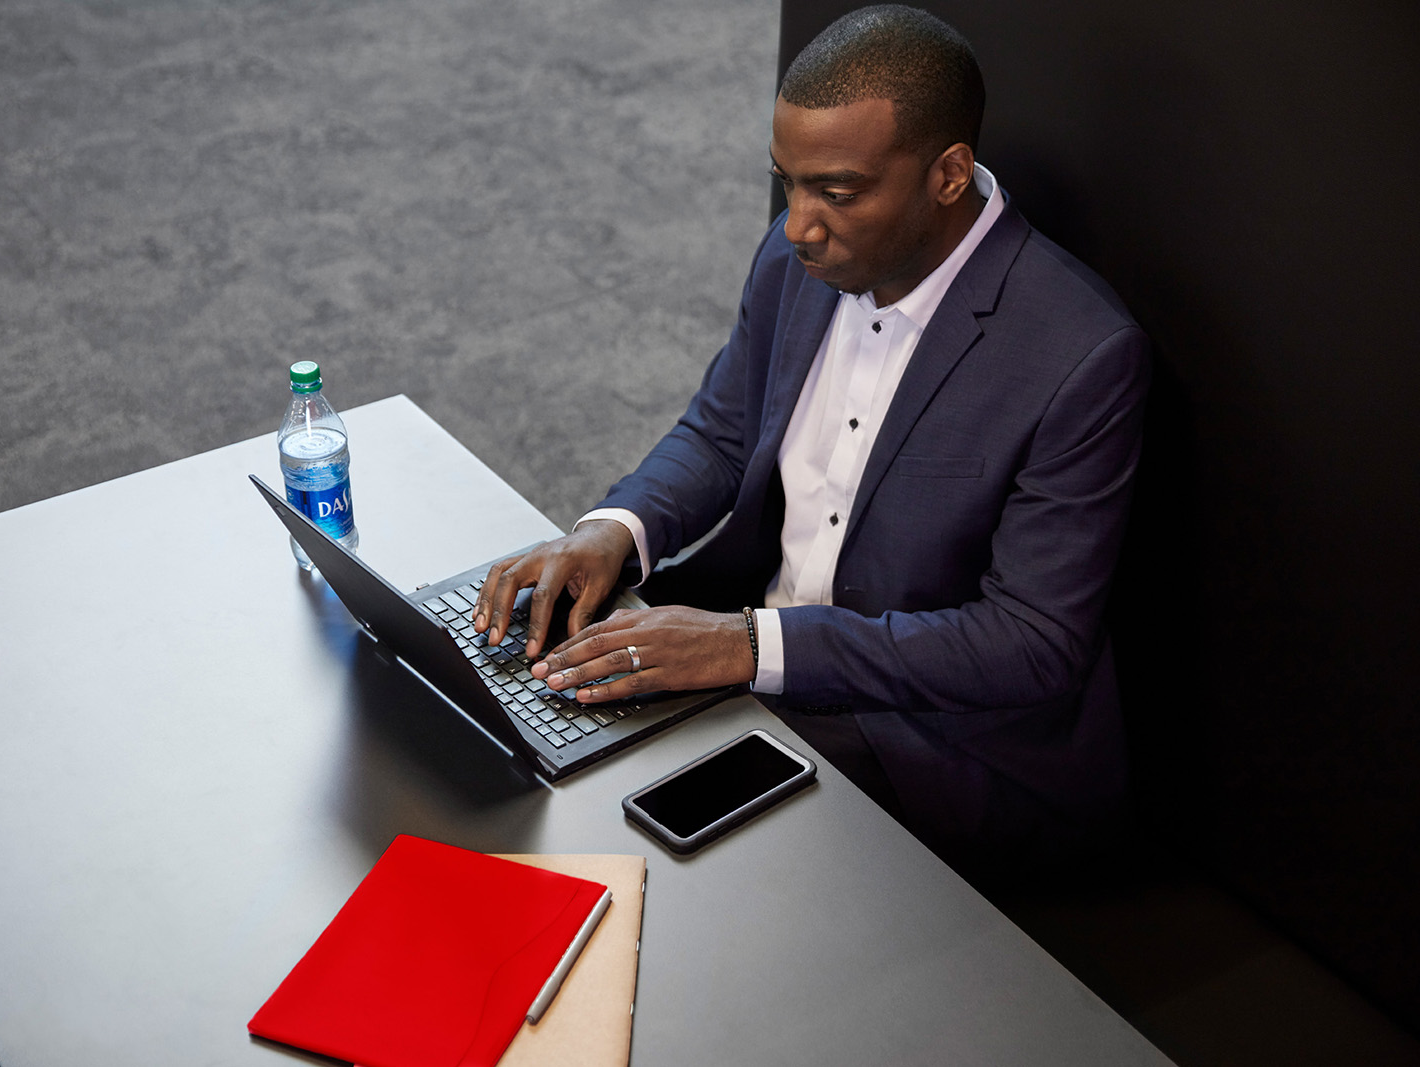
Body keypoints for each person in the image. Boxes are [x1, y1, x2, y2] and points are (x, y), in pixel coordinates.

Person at [474, 5, 1150, 882]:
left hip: (931, 740)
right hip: (749, 661)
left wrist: (751, 646)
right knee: (525, 740)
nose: (797, 224)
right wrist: (615, 529)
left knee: (632, 854)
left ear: (948, 175)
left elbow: (1029, 643)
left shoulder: (1081, 354)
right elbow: (722, 433)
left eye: (836, 192)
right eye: (785, 181)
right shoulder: (804, 257)